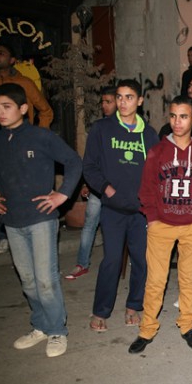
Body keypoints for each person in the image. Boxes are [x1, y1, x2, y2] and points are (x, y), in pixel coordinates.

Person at [0, 83, 82, 357]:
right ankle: (40, 325)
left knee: (45, 279)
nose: (0, 112)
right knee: (28, 280)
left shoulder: (41, 136)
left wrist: (62, 195)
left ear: (23, 108)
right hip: (12, 220)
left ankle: (57, 331)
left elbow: (74, 162)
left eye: (6, 106)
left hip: (41, 218)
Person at [128, 95, 192, 354]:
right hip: (162, 226)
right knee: (155, 281)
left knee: (188, 279)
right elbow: (146, 189)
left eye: (184, 116)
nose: (178, 122)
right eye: (174, 116)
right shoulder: (157, 152)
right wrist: (153, 219)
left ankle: (187, 326)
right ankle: (147, 329)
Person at [83, 79, 159, 332]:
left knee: (142, 261)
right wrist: (107, 189)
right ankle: (100, 310)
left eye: (129, 97)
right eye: (119, 97)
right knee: (112, 260)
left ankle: (133, 306)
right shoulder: (102, 129)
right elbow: (89, 167)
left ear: (140, 101)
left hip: (140, 211)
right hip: (113, 209)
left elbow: (156, 172)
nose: (123, 102)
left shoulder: (149, 134)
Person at [0, 43, 55, 255]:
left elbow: (46, 110)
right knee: (0, 189)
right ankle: (5, 234)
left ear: (12, 60)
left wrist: (38, 137)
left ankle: (24, 233)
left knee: (24, 186)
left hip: (24, 143)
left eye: (2, 53)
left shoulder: (24, 83)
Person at [65, 86, 117, 280]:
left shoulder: (126, 128)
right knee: (89, 224)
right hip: (99, 186)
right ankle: (82, 263)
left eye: (108, 101)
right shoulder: (99, 128)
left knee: (116, 227)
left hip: (118, 188)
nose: (104, 105)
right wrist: (90, 183)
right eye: (103, 101)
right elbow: (91, 161)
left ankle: (117, 264)